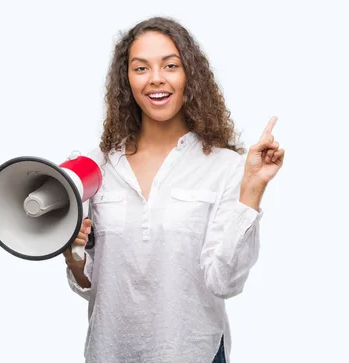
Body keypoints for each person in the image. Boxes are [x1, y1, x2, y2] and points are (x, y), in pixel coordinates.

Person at [63, 16, 285, 363]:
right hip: (110, 353)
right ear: (127, 81)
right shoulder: (96, 167)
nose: (156, 78)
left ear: (189, 76)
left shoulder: (225, 167)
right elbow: (91, 281)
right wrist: (71, 252)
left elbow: (225, 283)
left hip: (193, 353)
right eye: (141, 68)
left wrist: (252, 189)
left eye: (170, 65)